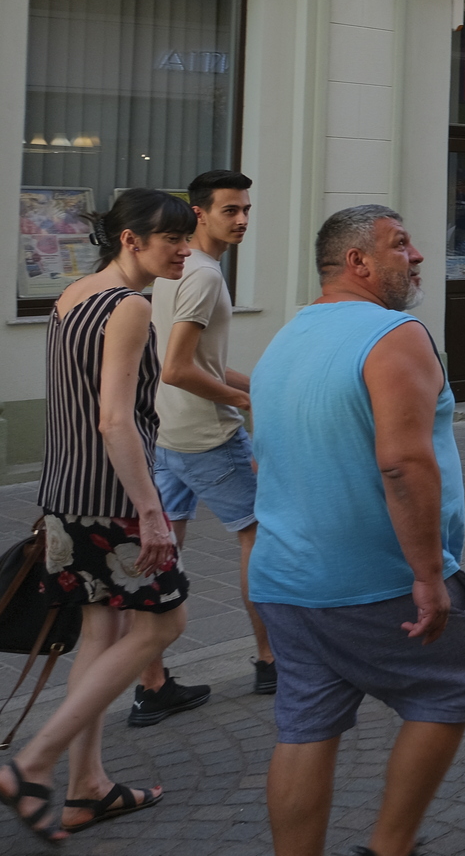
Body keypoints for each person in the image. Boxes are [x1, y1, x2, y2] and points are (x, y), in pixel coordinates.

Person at [249, 205, 465, 856]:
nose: (417, 255)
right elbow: (403, 462)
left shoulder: (286, 337)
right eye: (400, 244)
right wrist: (428, 576)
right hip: (375, 581)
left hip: (284, 580)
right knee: (453, 682)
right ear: (357, 261)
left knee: (305, 727)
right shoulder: (396, 334)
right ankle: (390, 847)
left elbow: (267, 457)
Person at [0, 189, 195, 843]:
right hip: (113, 500)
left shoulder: (72, 295)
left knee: (103, 634)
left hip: (65, 497)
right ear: (131, 239)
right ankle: (33, 765)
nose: (184, 250)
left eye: (187, 238)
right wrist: (151, 512)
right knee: (165, 623)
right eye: (172, 238)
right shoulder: (129, 306)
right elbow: (113, 419)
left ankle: (87, 787)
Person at [137, 169, 272, 726]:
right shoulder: (203, 275)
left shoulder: (175, 266)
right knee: (260, 536)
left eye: (246, 209)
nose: (241, 220)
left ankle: (151, 685)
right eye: (229, 210)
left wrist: (256, 386)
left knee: (160, 551)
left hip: (166, 433)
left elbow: (192, 362)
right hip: (206, 437)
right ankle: (271, 661)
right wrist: (243, 403)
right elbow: (176, 368)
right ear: (200, 214)